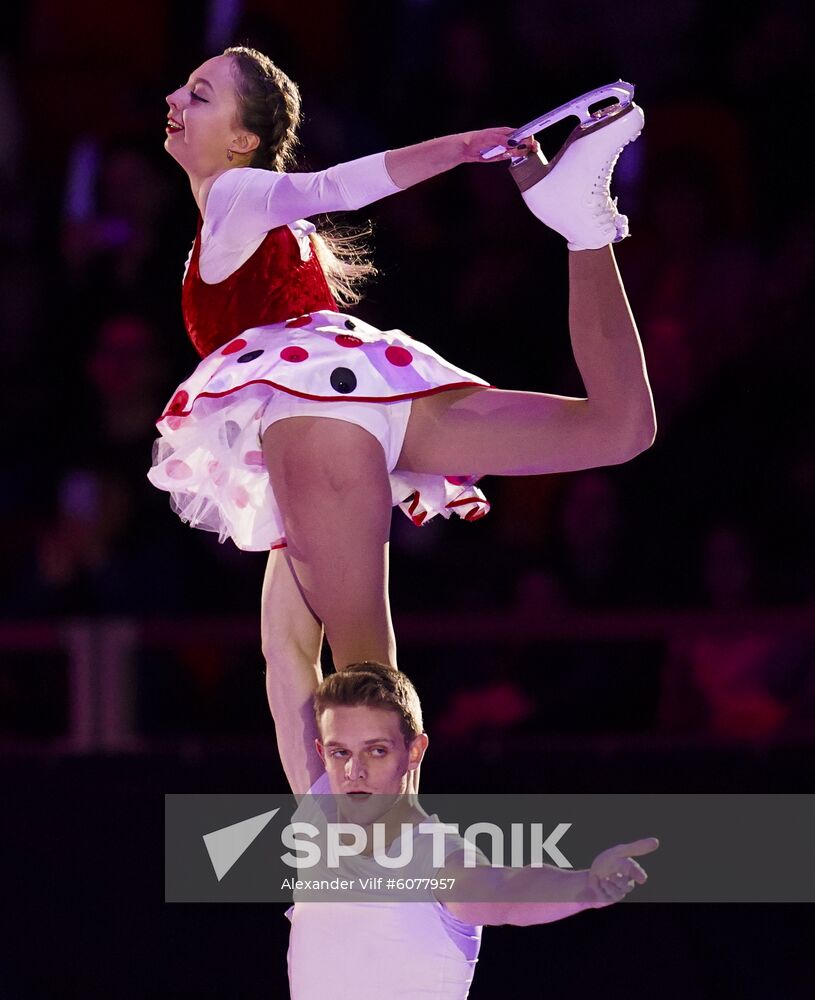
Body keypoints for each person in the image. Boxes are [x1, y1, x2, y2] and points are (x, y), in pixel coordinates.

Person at [148, 46, 656, 670]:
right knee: (619, 429)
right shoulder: (253, 223)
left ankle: (363, 762)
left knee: (361, 671)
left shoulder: (235, 194)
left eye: (200, 95)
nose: (174, 99)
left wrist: (461, 146)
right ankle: (586, 231)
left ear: (243, 138)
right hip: (370, 397)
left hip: (319, 415)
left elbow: (336, 187)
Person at [262, 548, 658, 999]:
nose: (354, 771)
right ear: (323, 751)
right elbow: (284, 649)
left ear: (414, 753)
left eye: (375, 751)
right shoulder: (321, 816)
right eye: (339, 753)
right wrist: (276, 514)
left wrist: (585, 885)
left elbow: (506, 891)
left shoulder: (438, 862)